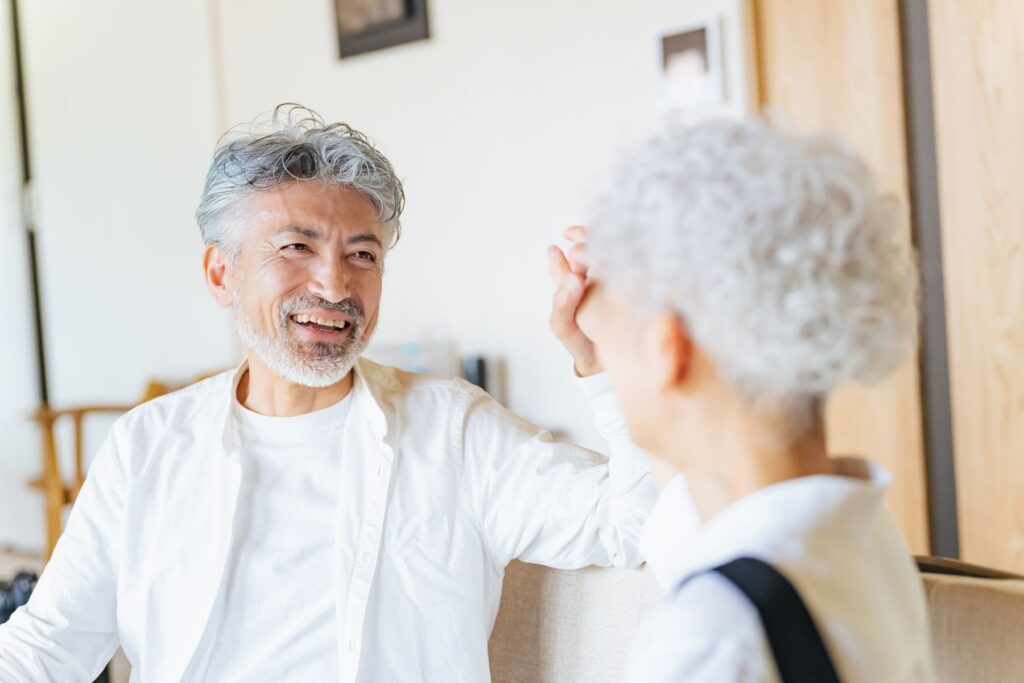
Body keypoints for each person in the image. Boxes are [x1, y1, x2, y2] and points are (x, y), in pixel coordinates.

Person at [0, 105, 656, 682]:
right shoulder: (147, 446)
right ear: (220, 271)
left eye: (363, 255)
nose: (336, 285)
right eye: (296, 246)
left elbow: (632, 526)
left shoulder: (453, 431)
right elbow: (48, 646)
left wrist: (606, 361)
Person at [569, 120, 936, 681]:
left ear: (671, 350)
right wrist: (605, 347)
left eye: (617, 336)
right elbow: (694, 522)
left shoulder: (713, 638)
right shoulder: (864, 535)